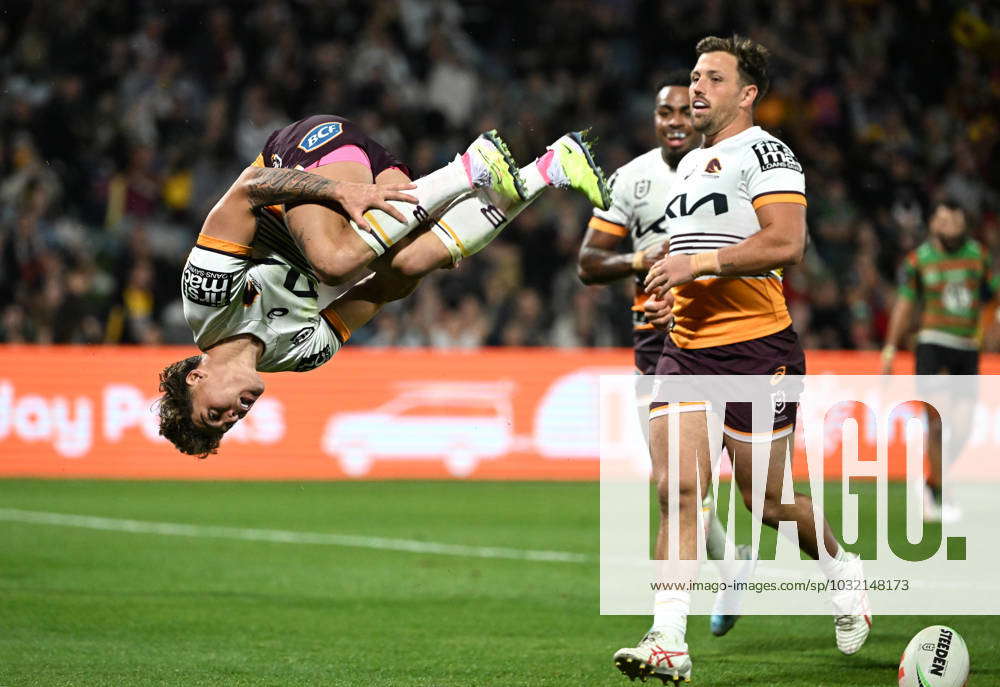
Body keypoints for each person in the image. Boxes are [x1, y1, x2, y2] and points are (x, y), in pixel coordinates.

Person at [612, 36, 871, 685]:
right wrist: (675, 292)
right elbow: (692, 251)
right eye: (695, 77)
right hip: (688, 353)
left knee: (770, 503)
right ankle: (668, 637)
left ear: (746, 93)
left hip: (758, 352)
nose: (697, 88)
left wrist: (697, 263)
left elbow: (787, 243)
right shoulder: (690, 169)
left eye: (713, 79)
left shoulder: (767, 152)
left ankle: (843, 568)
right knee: (679, 490)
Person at [157, 115, 610, 457]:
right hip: (376, 184)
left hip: (306, 156)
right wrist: (432, 253)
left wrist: (337, 193)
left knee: (333, 263)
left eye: (214, 413)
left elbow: (248, 188)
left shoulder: (207, 299)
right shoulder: (302, 354)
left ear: (198, 376)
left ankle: (468, 166)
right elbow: (380, 291)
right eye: (227, 425)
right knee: (414, 259)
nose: (234, 416)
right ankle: (551, 167)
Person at [577, 71, 752, 639]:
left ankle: (699, 597)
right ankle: (728, 573)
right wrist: (635, 260)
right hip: (655, 345)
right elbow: (587, 263)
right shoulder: (631, 179)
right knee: (674, 483)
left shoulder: (733, 167)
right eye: (664, 113)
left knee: (732, 488)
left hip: (726, 335)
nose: (675, 121)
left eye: (685, 111)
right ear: (654, 120)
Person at [882, 199, 998, 523]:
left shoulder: (978, 257)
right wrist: (890, 347)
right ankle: (942, 494)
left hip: (967, 348)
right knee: (938, 420)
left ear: (965, 223)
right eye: (943, 220)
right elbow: (905, 305)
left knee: (961, 426)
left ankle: (932, 480)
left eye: (955, 221)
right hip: (932, 344)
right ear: (933, 223)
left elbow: (992, 297)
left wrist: (992, 327)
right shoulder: (920, 260)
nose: (949, 226)